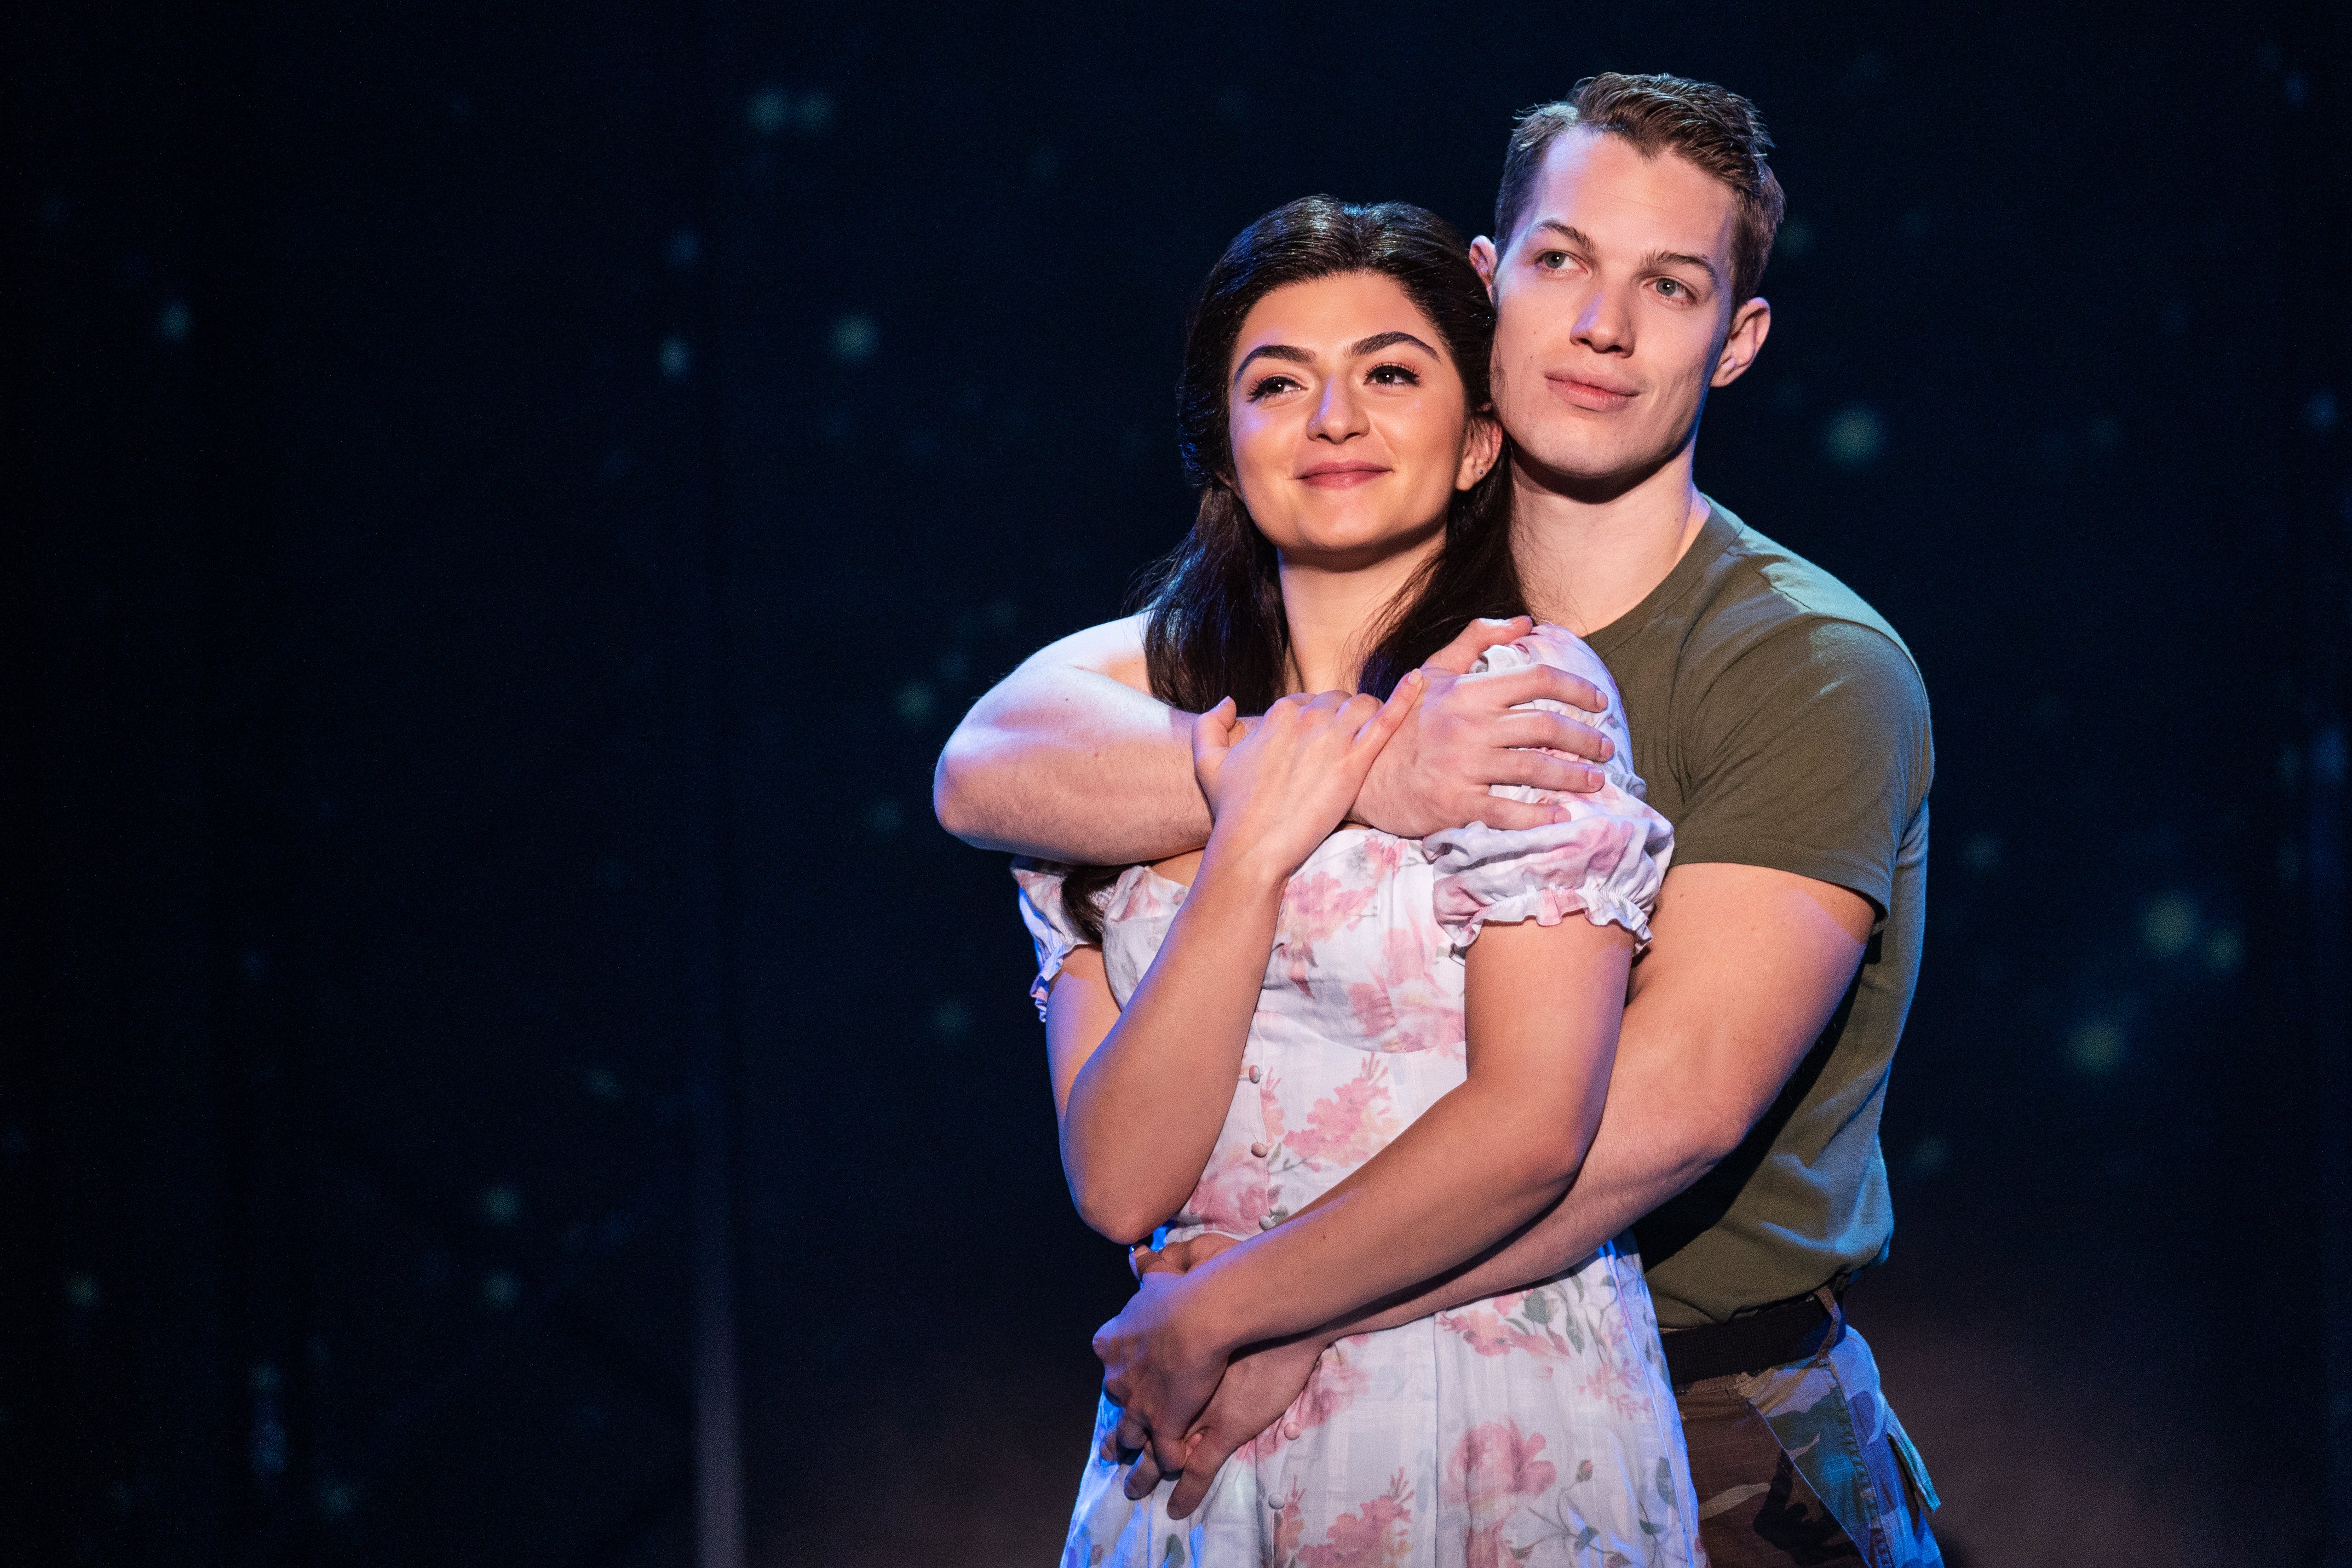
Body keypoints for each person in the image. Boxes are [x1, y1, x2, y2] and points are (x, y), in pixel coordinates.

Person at [940, 75, 1940, 1568]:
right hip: (1261, 1389)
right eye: (1561, 262)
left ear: (1733, 340)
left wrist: (1267, 1306)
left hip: (1696, 1408)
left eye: (1667, 287)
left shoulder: (1799, 667)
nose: (1601, 325)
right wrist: (1360, 771)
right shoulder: (1336, 603)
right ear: (1491, 282)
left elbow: (1636, 1125)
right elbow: (989, 764)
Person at [1019, 192, 1702, 1567]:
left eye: (1390, 374)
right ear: (1225, 443)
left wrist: (1246, 1312)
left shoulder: (1519, 695)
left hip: (1469, 1387)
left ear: (1473, 446)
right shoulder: (1125, 744)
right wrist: (1256, 837)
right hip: (1194, 1428)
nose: (1334, 418)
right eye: (1279, 383)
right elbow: (1117, 1178)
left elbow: (1532, 1128)